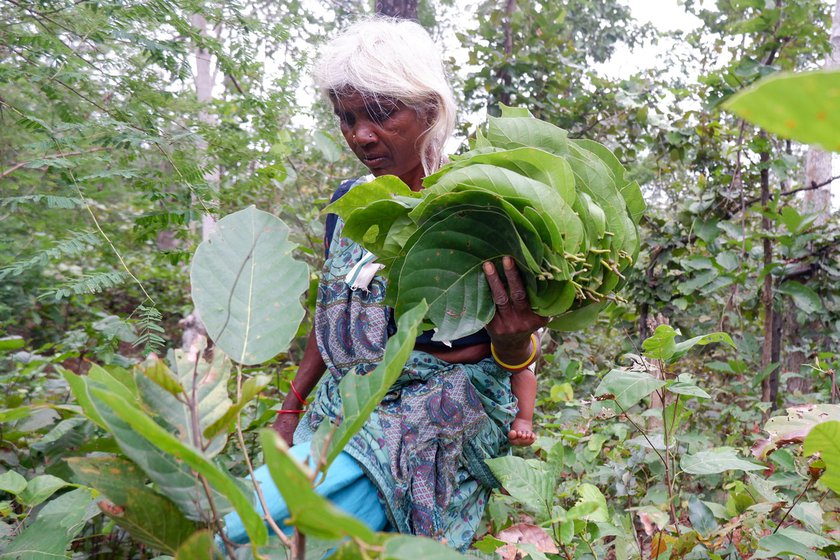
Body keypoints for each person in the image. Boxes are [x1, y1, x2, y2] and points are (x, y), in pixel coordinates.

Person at [224, 16, 546, 551]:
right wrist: (291, 405)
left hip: (440, 410)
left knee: (250, 532)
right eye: (346, 118)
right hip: (344, 402)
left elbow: (519, 342)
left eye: (379, 113)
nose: (360, 135)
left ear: (430, 109)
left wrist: (513, 340)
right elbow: (331, 313)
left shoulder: (479, 203)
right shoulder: (352, 201)